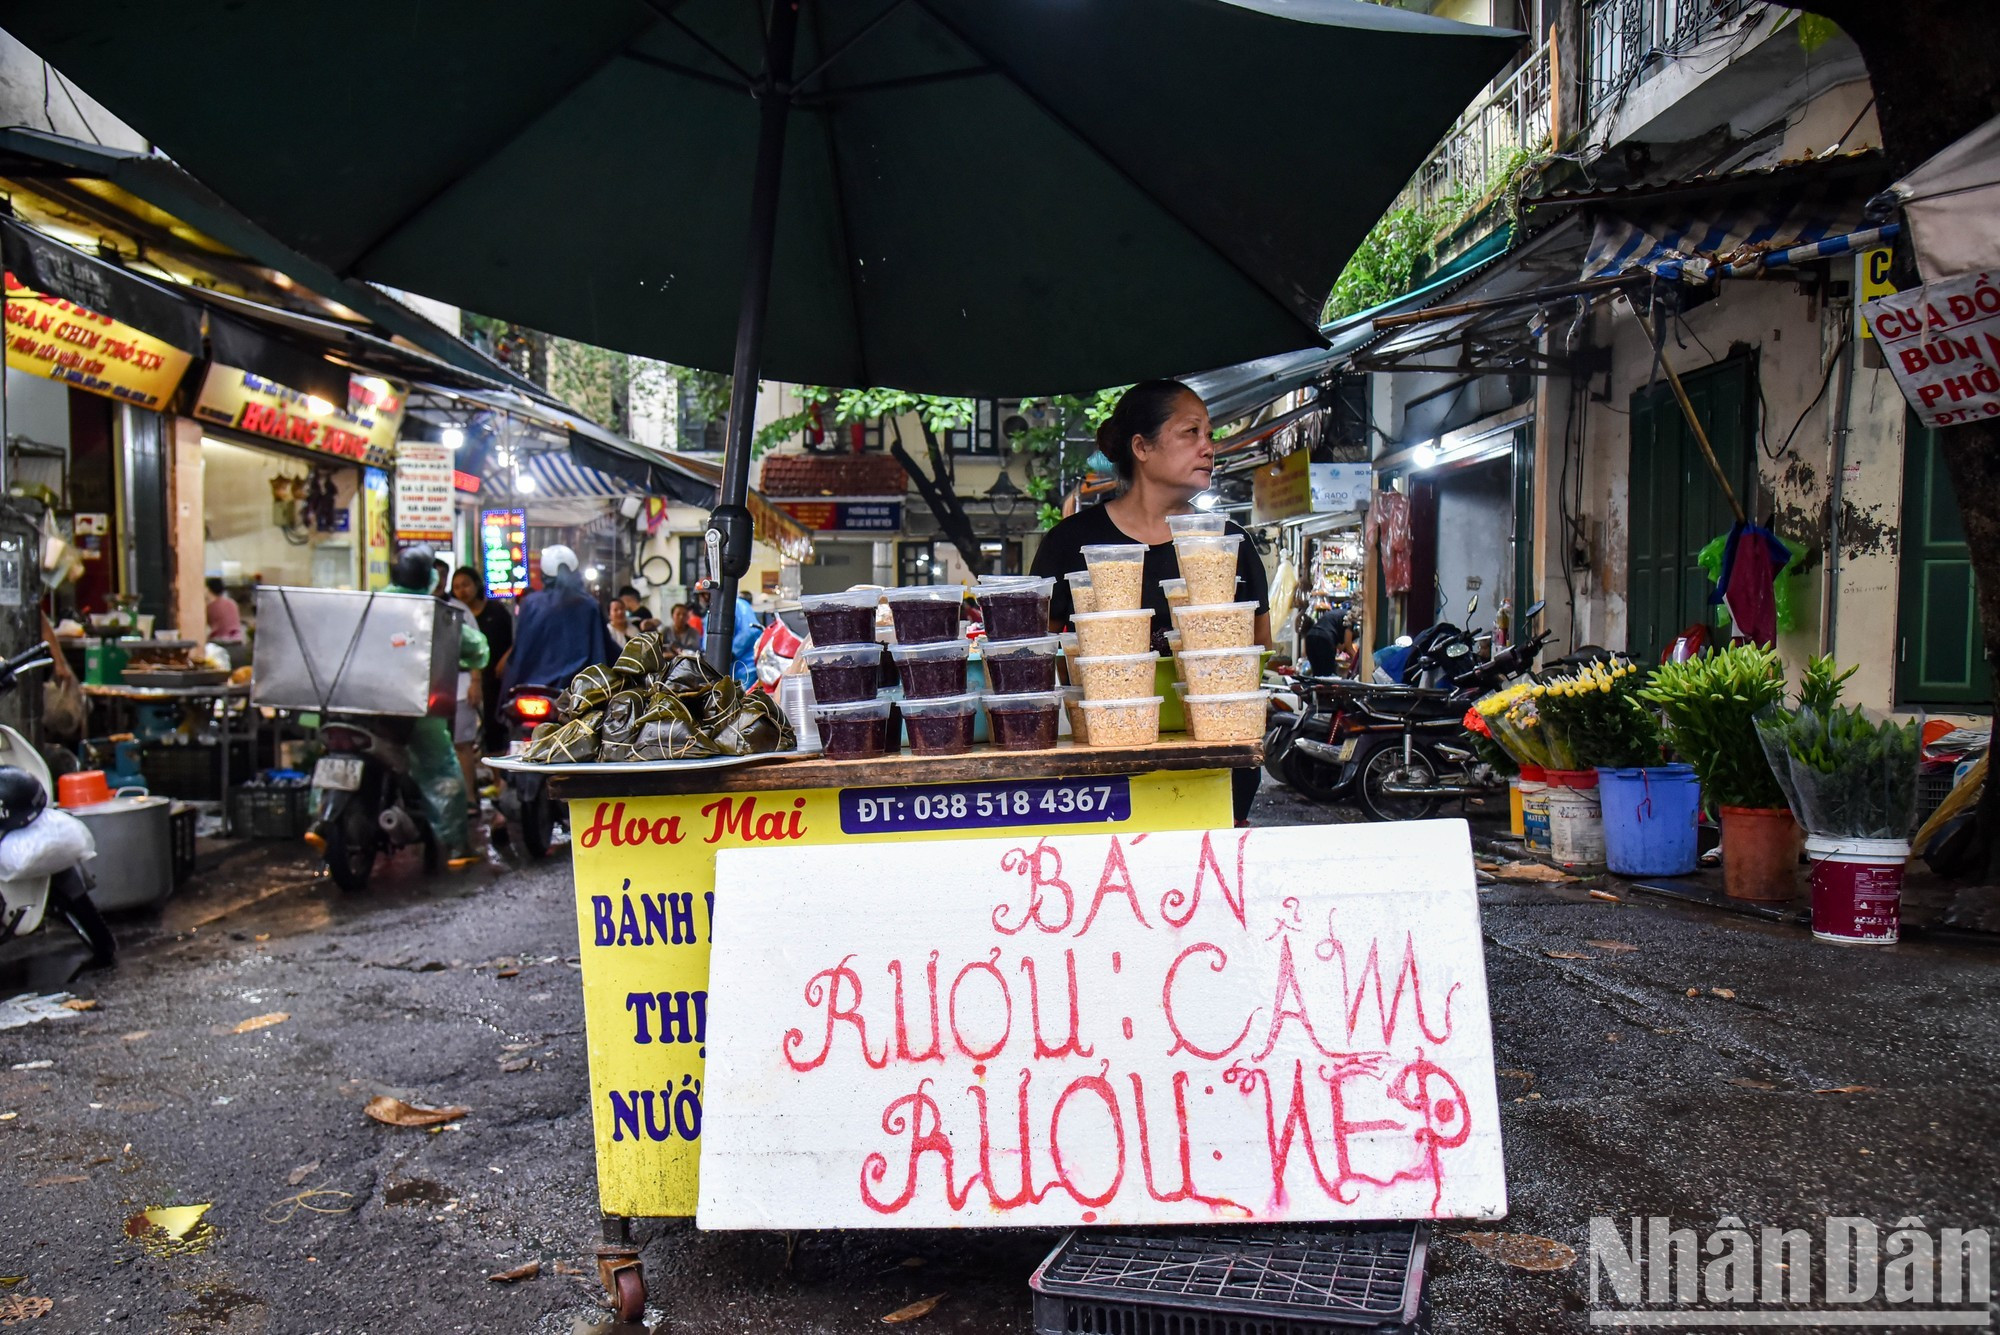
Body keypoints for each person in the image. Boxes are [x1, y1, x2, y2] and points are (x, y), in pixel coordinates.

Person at [1031, 379, 1271, 823]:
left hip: (1213, 764)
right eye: (1191, 432)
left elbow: (1255, 653)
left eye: (1209, 434)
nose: (1209, 447)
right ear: (1142, 447)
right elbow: (1034, 657)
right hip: (1106, 769)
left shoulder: (1228, 542)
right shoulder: (1071, 543)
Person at [389, 545, 489, 864]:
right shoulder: (433, 612)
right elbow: (476, 648)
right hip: (414, 708)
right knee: (443, 772)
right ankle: (457, 846)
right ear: (430, 578)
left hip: (367, 704)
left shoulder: (376, 602)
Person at [500, 544, 618, 696]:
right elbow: (606, 646)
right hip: (581, 691)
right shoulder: (589, 605)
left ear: (544, 574)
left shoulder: (531, 603)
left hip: (531, 689)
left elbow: (521, 650)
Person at [452, 566, 514, 752]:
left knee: (494, 725)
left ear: (476, 584)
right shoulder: (456, 614)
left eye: (466, 584)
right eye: (456, 587)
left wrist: (504, 660)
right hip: (465, 681)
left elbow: (513, 641)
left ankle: (498, 777)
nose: (462, 590)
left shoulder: (496, 610)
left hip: (495, 677)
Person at [204, 577, 244, 644]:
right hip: (237, 641)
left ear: (208, 589)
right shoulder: (232, 603)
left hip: (221, 643)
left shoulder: (211, 607)